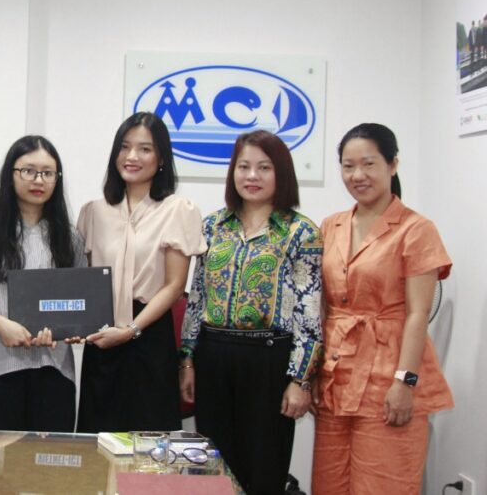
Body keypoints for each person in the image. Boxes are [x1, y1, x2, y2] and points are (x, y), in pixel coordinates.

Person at [180, 130, 322, 495]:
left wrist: (300, 379)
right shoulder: (212, 225)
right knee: (213, 469)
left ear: (281, 173)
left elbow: (309, 312)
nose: (252, 176)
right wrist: (188, 358)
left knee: (264, 469)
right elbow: (197, 296)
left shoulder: (301, 232)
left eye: (264, 167)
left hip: (269, 361)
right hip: (214, 356)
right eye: (243, 167)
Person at [313, 124, 452, 495]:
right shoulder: (331, 226)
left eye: (368, 164)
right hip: (336, 378)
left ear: (392, 165)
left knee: (383, 485)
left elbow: (418, 314)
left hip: (389, 376)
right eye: (348, 166)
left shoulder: (416, 229)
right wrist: (312, 375)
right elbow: (322, 305)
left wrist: (405, 382)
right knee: (329, 484)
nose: (357, 175)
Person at [75, 112, 205, 433]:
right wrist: (76, 323)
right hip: (102, 337)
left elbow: (174, 285)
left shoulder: (178, 209)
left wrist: (131, 330)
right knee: (97, 437)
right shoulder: (93, 211)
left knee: (148, 441)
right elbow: (84, 281)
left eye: (145, 149)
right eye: (124, 147)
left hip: (149, 335)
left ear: (161, 158)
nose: (131, 156)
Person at [0, 136, 85, 431]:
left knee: (52, 457)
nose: (38, 180)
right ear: (10, 174)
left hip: (54, 370)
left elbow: (79, 300)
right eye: (28, 171)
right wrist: (2, 325)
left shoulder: (68, 237)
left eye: (47, 173)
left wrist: (71, 328)